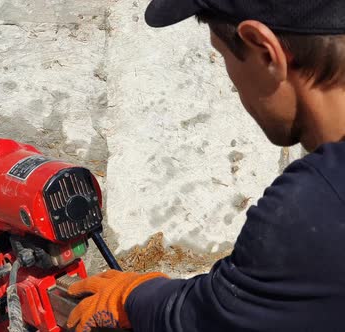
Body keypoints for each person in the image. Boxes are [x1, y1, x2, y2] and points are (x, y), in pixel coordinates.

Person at [67, 0, 345, 331]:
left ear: (265, 51)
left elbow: (211, 315)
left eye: (224, 57)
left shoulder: (314, 205)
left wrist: (130, 296)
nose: (234, 86)